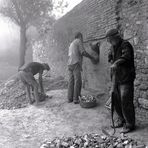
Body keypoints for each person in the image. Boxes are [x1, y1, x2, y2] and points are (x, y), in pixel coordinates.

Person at [106, 29, 136, 134]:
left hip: (126, 77)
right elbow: (110, 58)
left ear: (116, 37)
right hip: (116, 78)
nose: (109, 42)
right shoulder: (112, 47)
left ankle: (130, 124)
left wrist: (117, 62)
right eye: (108, 40)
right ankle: (121, 119)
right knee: (116, 99)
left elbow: (126, 57)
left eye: (110, 39)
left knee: (125, 100)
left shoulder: (125, 45)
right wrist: (111, 59)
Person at [67, 32, 97, 104]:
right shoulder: (78, 41)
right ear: (80, 36)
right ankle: (76, 99)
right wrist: (91, 57)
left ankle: (70, 98)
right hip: (75, 63)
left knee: (71, 81)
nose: (82, 39)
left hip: (69, 64)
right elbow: (83, 52)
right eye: (82, 37)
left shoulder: (72, 43)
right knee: (78, 81)